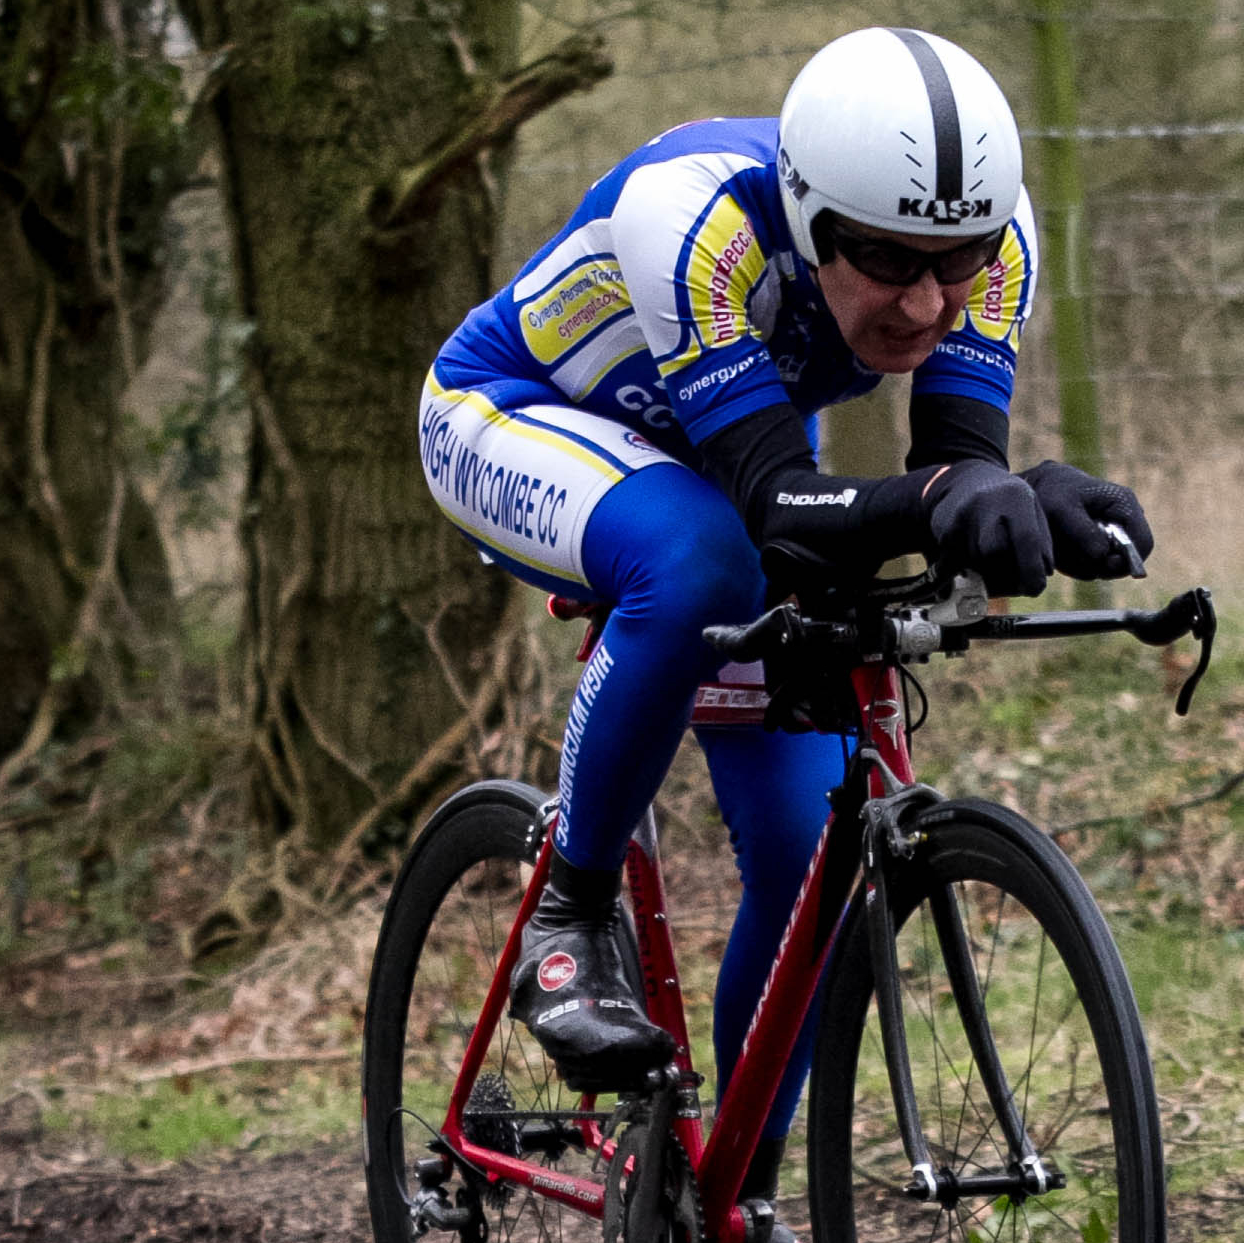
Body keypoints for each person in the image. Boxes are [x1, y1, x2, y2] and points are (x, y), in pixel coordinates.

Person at [414, 25, 1153, 1229]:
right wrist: (934, 502)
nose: (926, 302)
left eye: (954, 263)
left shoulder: (995, 242)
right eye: (887, 262)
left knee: (810, 840)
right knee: (700, 560)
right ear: (811, 223)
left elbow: (951, 468)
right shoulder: (691, 218)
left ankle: (726, 1195)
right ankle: (573, 907)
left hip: (720, 444)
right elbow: (772, 502)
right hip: (514, 411)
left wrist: (1029, 501)